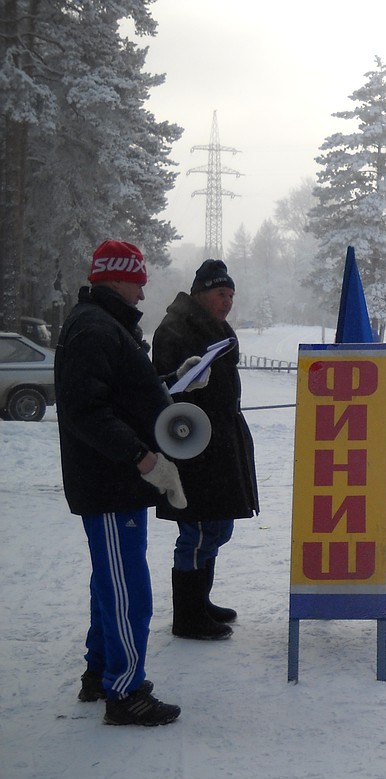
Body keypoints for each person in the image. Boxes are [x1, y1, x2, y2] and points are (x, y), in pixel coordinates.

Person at [55, 240, 201, 726]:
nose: (143, 290)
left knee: (111, 580)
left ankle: (100, 674)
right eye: (138, 280)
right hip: (110, 481)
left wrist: (170, 380)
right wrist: (142, 458)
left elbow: (122, 392)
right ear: (116, 278)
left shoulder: (105, 324)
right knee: (127, 590)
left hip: (114, 479)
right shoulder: (95, 328)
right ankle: (125, 691)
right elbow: (85, 411)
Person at [152, 259, 259, 640]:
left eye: (231, 295)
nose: (227, 301)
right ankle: (188, 616)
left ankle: (202, 602)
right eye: (220, 294)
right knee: (197, 531)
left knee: (217, 526)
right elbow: (164, 390)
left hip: (219, 443)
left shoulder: (215, 328)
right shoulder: (174, 329)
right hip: (191, 449)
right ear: (200, 293)